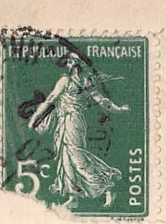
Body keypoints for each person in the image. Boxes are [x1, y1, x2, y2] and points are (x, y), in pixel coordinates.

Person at [27, 53, 130, 207]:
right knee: (65, 157)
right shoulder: (76, 80)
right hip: (66, 121)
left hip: (73, 121)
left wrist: (118, 109)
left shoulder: (73, 80)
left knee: (76, 156)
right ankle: (73, 196)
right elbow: (51, 99)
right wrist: (35, 117)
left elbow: (101, 100)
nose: (68, 65)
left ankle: (106, 186)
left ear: (76, 64)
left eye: (70, 62)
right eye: (68, 62)